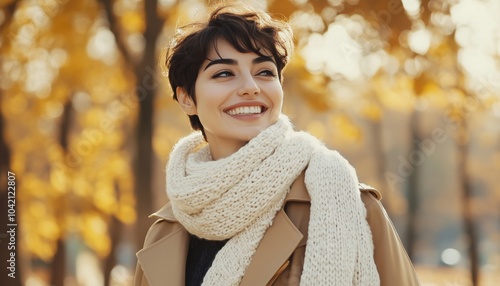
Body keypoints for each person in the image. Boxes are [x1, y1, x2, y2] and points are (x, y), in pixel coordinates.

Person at [134, 4, 420, 286]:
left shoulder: (346, 202)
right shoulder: (165, 231)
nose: (251, 87)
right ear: (186, 98)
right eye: (224, 73)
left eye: (265, 72)